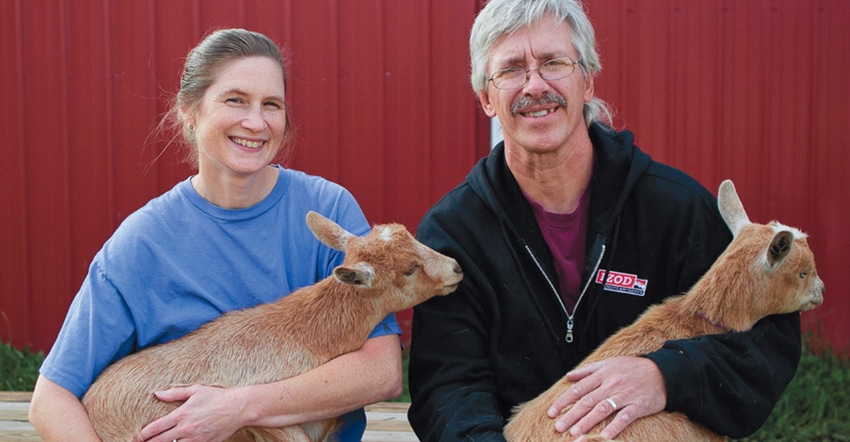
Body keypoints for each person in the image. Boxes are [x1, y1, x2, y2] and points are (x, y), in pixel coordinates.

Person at [407, 0, 801, 440]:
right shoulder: (453, 233)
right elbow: (448, 387)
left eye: (554, 63)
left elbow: (765, 342)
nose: (535, 85)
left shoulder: (676, 210)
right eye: (512, 70)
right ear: (485, 97)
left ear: (588, 80)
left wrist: (664, 376)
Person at [28, 28, 402, 442]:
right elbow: (51, 398)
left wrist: (240, 406)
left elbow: (381, 371)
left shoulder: (327, 213)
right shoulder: (142, 243)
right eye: (235, 100)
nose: (256, 122)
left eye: (271, 105)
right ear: (189, 110)